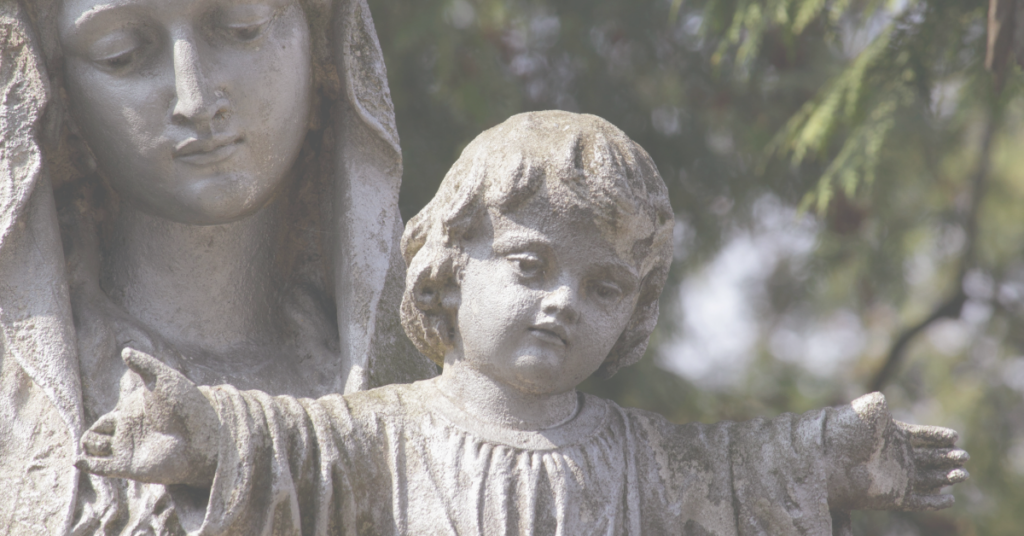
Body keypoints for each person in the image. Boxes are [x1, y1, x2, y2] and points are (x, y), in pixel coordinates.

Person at [78, 111, 969, 535]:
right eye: (532, 266)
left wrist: (835, 454)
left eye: (606, 286)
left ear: (634, 313)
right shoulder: (388, 433)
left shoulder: (643, 458)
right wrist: (197, 433)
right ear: (448, 269)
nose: (564, 302)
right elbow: (291, 445)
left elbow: (736, 476)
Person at [0, 0, 435, 534]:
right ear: (56, 90)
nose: (196, 98)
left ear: (323, 43)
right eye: (123, 55)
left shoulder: (454, 393)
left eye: (241, 29)